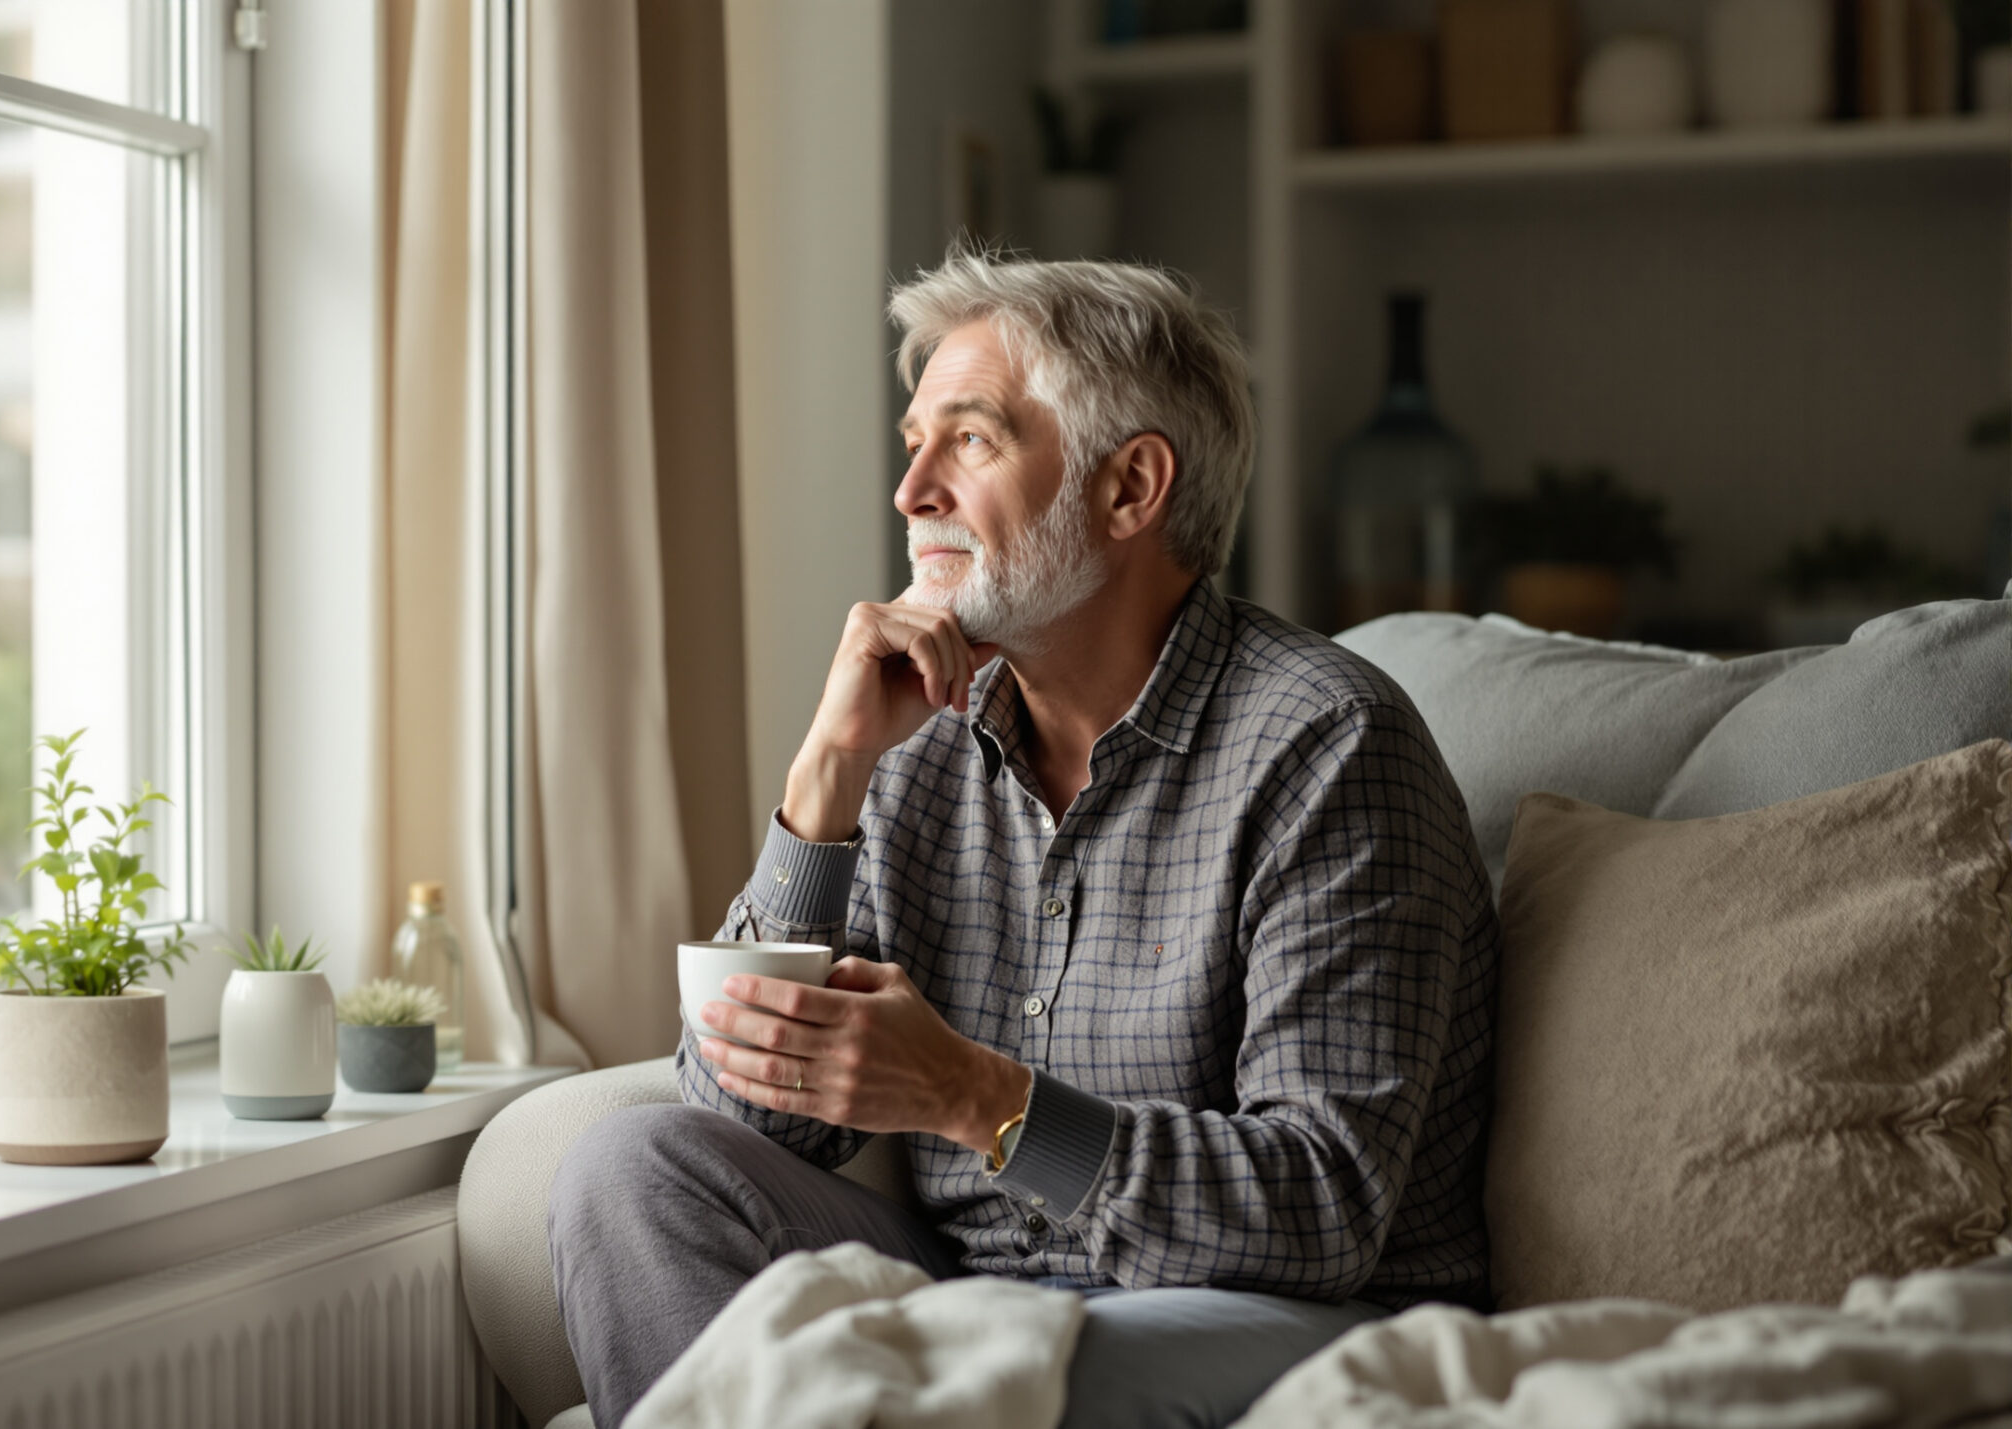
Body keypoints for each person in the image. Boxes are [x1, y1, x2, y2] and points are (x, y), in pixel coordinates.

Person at [548, 251, 1500, 1429]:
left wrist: (972, 1096)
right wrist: (827, 773)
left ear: (1129, 488)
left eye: (972, 440)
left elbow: (1322, 1210)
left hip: (1284, 1314)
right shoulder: (918, 741)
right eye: (913, 443)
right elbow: (743, 1114)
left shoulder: (1328, 748)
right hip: (983, 1288)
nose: (910, 493)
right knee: (626, 1173)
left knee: (1032, 1369)